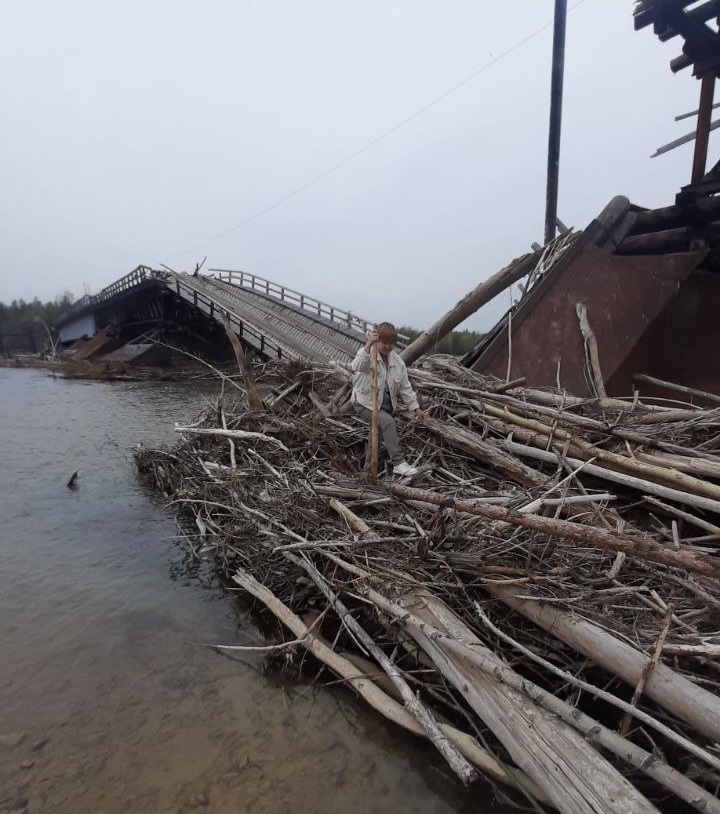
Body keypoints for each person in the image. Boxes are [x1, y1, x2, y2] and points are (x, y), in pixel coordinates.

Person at [351, 322, 425, 477]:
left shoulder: (398, 363)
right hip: (364, 402)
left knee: (376, 432)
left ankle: (366, 472)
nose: (387, 346)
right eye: (384, 342)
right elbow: (356, 365)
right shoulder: (368, 354)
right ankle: (398, 463)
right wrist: (369, 344)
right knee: (388, 422)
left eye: (391, 343)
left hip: (384, 406)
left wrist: (415, 407)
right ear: (377, 341)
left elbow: (405, 387)